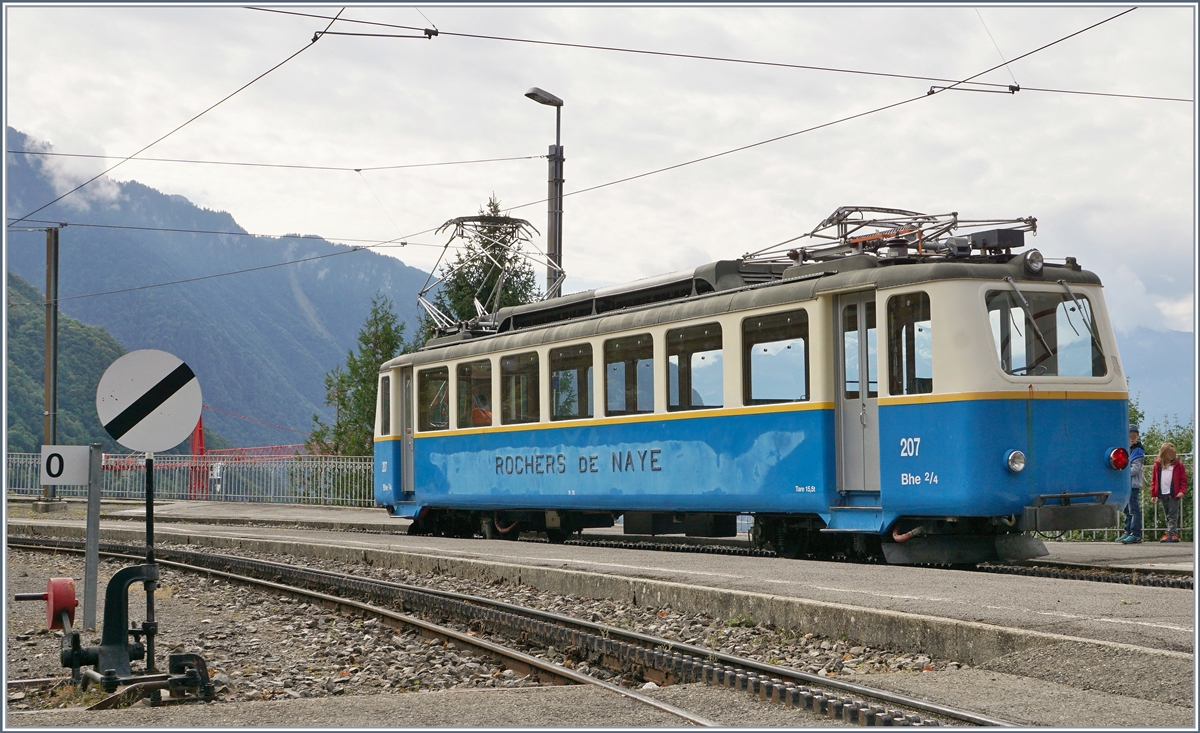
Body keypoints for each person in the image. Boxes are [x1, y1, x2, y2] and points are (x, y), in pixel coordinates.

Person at [1150, 441, 1188, 542]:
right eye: (1170, 453)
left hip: (1174, 494)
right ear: (1164, 453)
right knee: (1167, 513)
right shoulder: (1157, 465)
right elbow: (1154, 480)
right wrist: (1153, 494)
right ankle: (1173, 533)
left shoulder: (1178, 465)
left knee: (1172, 514)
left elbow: (1183, 480)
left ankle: (1170, 533)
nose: (1173, 455)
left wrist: (1182, 491)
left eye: (1174, 453)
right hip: (1163, 493)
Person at [1120, 424, 1145, 543]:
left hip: (1133, 484)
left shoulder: (1138, 450)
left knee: (1133, 509)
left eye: (1134, 436)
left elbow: (1136, 469)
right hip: (1126, 484)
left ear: (1137, 436)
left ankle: (1135, 533)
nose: (1131, 438)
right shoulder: (1126, 449)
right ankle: (1127, 531)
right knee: (1126, 509)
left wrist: (1123, 472)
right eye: (1129, 436)